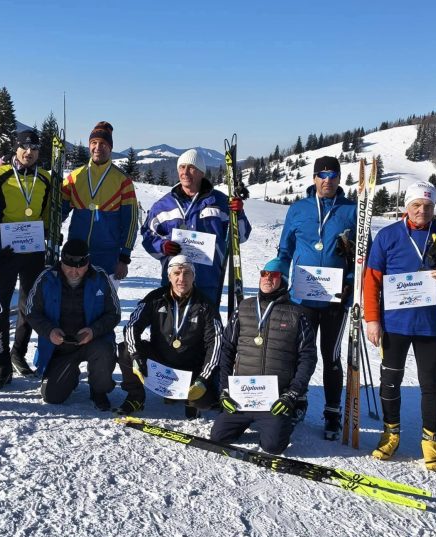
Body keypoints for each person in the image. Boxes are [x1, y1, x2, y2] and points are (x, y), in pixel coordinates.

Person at [363, 181, 436, 471]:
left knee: (430, 385)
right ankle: (391, 432)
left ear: (434, 207)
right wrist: (372, 319)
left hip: (431, 325)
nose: (422, 210)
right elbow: (371, 281)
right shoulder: (388, 236)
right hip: (394, 323)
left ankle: (430, 440)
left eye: (428, 206)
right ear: (406, 206)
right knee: (390, 381)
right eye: (416, 205)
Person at [276, 155, 356, 440]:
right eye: (322, 175)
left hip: (336, 299)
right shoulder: (299, 209)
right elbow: (284, 251)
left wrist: (350, 282)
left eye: (333, 175)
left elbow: (363, 256)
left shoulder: (352, 210)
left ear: (339, 179)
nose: (327, 180)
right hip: (301, 298)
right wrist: (278, 279)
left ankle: (332, 411)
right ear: (313, 178)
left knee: (331, 358)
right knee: (300, 355)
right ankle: (298, 400)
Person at [211, 259, 316, 455]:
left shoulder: (297, 314)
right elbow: (226, 350)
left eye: (274, 275)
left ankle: (291, 414)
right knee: (219, 437)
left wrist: (292, 393)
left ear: (283, 280)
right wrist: (224, 388)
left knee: (273, 447)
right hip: (243, 395)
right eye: (264, 274)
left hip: (274, 397)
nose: (268, 279)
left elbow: (308, 358)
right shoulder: (243, 308)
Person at [141, 149, 250, 306]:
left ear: (201, 173)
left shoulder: (220, 202)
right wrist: (162, 246)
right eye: (182, 167)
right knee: (171, 327)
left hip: (208, 280)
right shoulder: (163, 205)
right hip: (174, 282)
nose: (185, 172)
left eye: (191, 167)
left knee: (206, 329)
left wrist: (238, 214)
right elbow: (147, 235)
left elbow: (241, 235)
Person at [116, 254, 222, 417]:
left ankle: (190, 401)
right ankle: (136, 396)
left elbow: (215, 344)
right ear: (169, 276)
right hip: (160, 364)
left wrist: (203, 379)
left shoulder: (205, 305)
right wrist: (137, 357)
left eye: (187, 273)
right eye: (177, 273)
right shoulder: (155, 298)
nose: (182, 279)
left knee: (204, 402)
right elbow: (132, 327)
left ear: (194, 276)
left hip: (191, 369)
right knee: (125, 348)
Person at [0, 129, 51, 387]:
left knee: (30, 305)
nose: (29, 153)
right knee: (0, 306)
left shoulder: (46, 178)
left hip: (33, 250)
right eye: (25, 147)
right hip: (6, 251)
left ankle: (18, 353)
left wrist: (45, 235)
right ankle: (1, 363)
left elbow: (48, 215)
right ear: (15, 149)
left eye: (34, 149)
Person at [25, 238, 121, 410]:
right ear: (61, 261)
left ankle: (98, 390)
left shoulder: (100, 277)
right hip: (60, 346)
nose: (74, 273)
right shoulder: (46, 278)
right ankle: (71, 373)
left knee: (103, 351)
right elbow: (31, 311)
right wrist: (50, 331)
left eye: (80, 268)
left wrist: (93, 330)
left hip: (93, 341)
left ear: (88, 262)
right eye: (69, 267)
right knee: (52, 397)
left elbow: (114, 313)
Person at [62, 121, 138, 280]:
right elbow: (59, 212)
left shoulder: (122, 181)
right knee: (74, 303)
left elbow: (130, 222)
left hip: (108, 258)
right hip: (76, 256)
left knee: (105, 304)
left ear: (110, 147)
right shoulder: (75, 177)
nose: (98, 147)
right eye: (94, 143)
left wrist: (124, 258)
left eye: (103, 143)